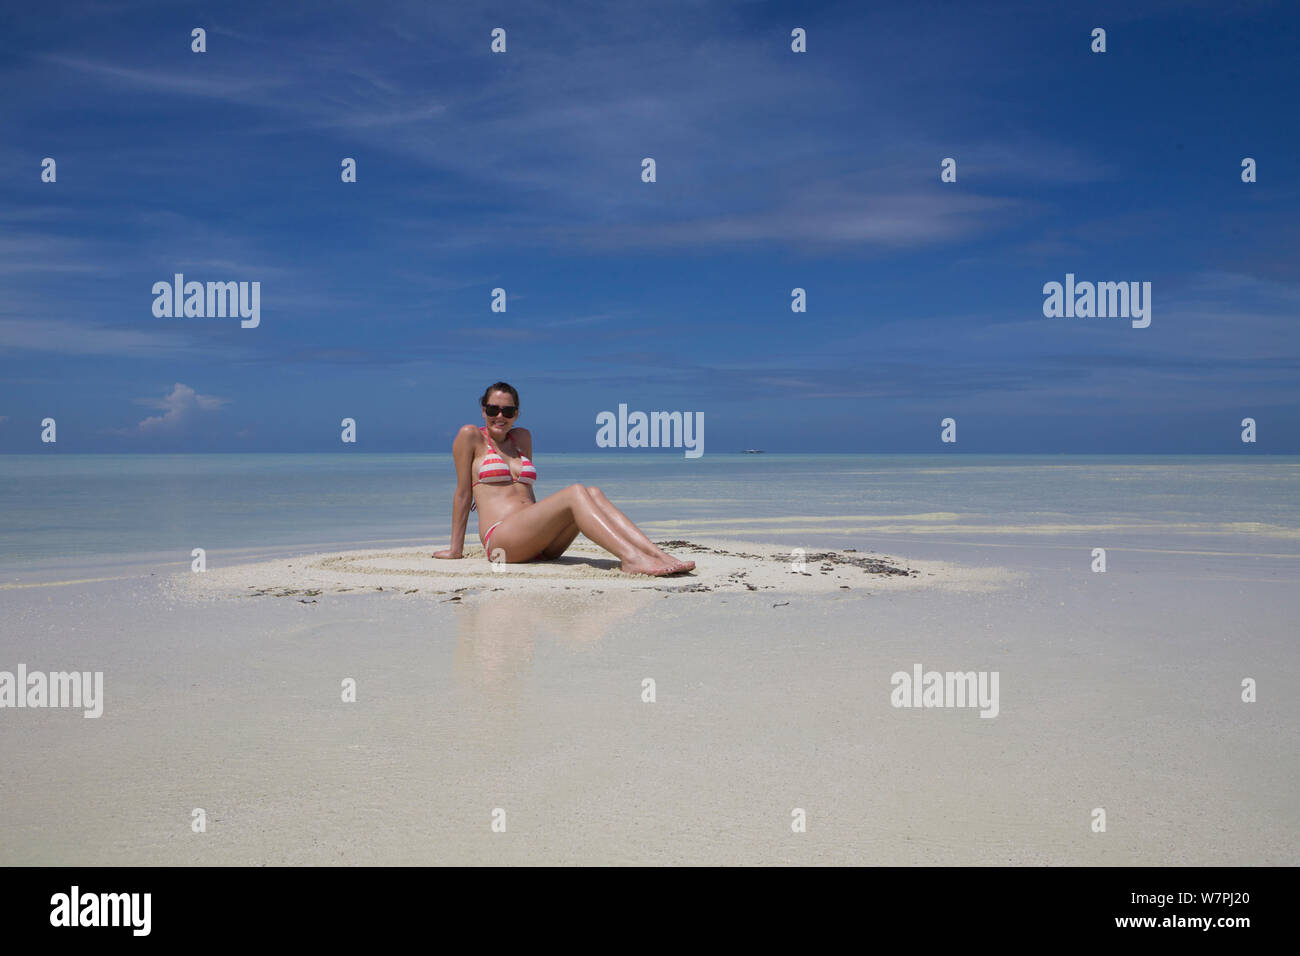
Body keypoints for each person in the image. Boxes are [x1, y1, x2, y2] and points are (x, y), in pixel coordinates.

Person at [432, 382, 695, 576]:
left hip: (539, 542)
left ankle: (656, 554)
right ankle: (631, 558)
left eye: (508, 412)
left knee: (592, 492)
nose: (500, 416)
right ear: (483, 410)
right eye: (493, 409)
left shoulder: (522, 437)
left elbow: (526, 491)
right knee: (575, 491)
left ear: (517, 415)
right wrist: (456, 549)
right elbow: (463, 494)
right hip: (503, 543)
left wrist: (544, 522)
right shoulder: (470, 436)